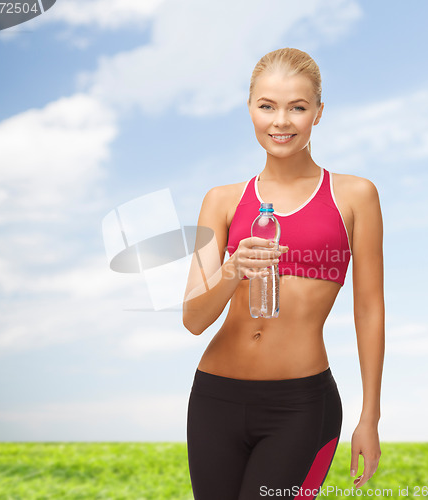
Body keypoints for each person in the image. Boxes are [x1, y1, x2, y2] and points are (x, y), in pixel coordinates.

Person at [182, 47, 384, 500]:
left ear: (318, 113)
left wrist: (369, 415)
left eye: (298, 107)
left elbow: (368, 310)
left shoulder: (355, 196)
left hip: (301, 407)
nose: (282, 122)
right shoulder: (221, 200)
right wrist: (232, 269)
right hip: (214, 399)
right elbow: (193, 319)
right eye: (267, 106)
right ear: (250, 109)